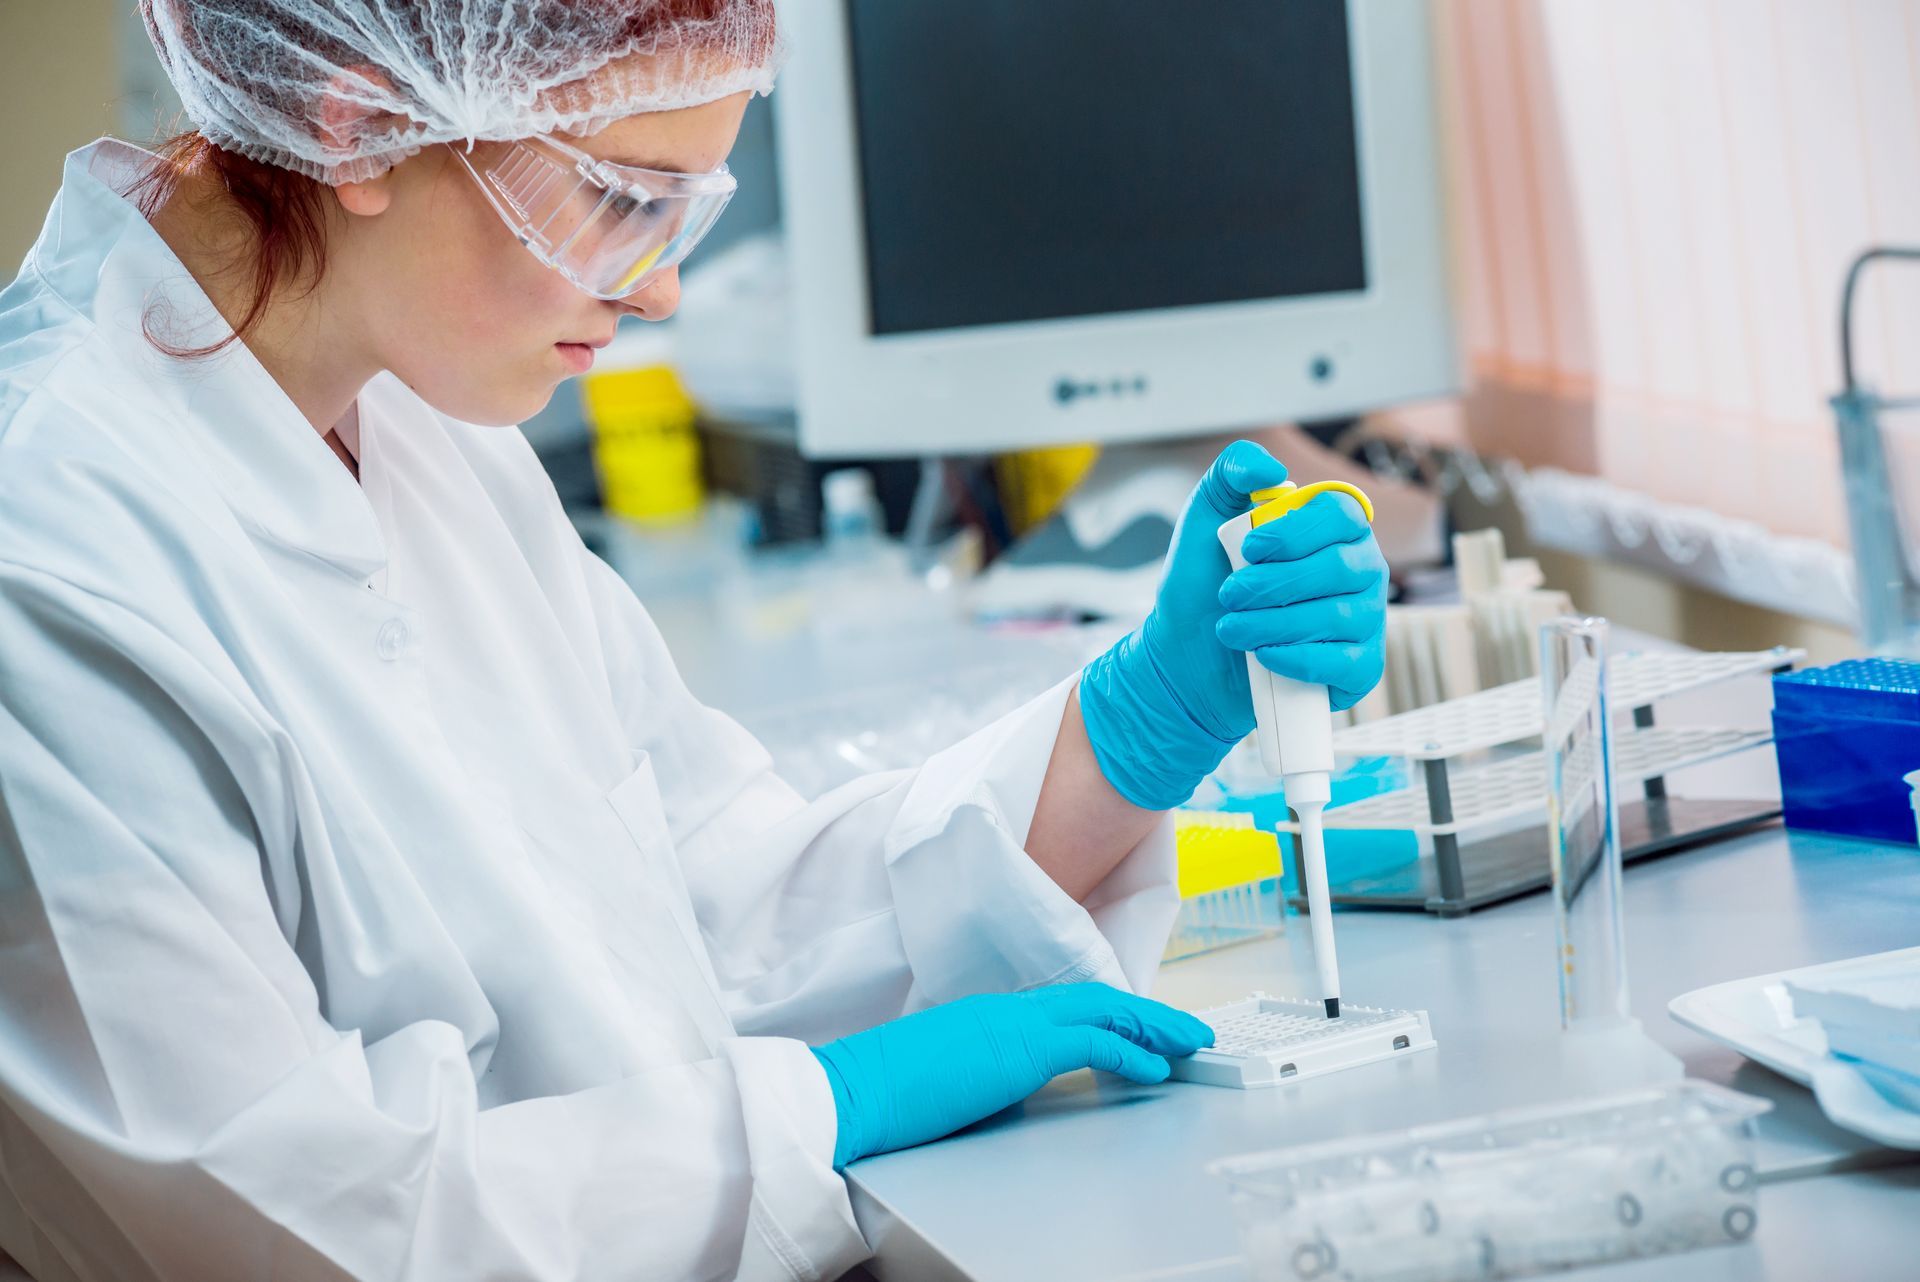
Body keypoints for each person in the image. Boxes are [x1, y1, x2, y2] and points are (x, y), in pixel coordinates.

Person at [0, 2, 1389, 1278]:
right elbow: (289, 1220)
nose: (659, 288)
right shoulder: (50, 554)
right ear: (356, 128)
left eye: (686, 209)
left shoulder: (409, 408)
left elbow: (708, 906)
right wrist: (826, 1107)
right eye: (617, 198)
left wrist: (1133, 729)